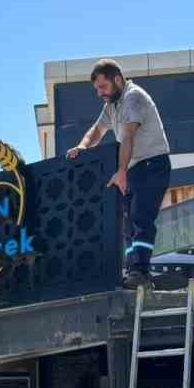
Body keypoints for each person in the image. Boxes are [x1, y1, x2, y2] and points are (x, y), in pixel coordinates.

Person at [63, 59, 172, 288]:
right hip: (133, 168)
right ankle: (133, 270)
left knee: (141, 216)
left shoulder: (133, 97)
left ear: (118, 79)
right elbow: (97, 130)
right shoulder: (111, 105)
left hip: (152, 164)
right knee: (128, 223)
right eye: (97, 89)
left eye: (103, 87)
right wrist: (83, 146)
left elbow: (128, 136)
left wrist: (121, 172)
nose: (100, 93)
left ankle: (140, 272)